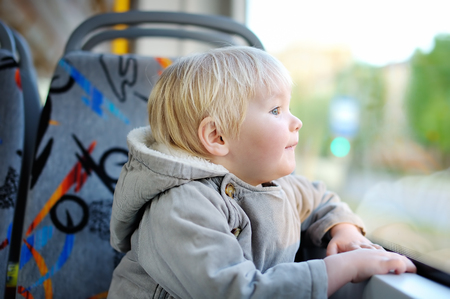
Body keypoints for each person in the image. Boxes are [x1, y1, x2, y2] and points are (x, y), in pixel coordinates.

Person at [108, 46, 416, 298]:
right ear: (217, 137)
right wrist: (345, 267)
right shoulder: (180, 207)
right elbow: (237, 292)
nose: (297, 122)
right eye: (276, 111)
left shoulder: (275, 185)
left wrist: (344, 231)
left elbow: (321, 198)